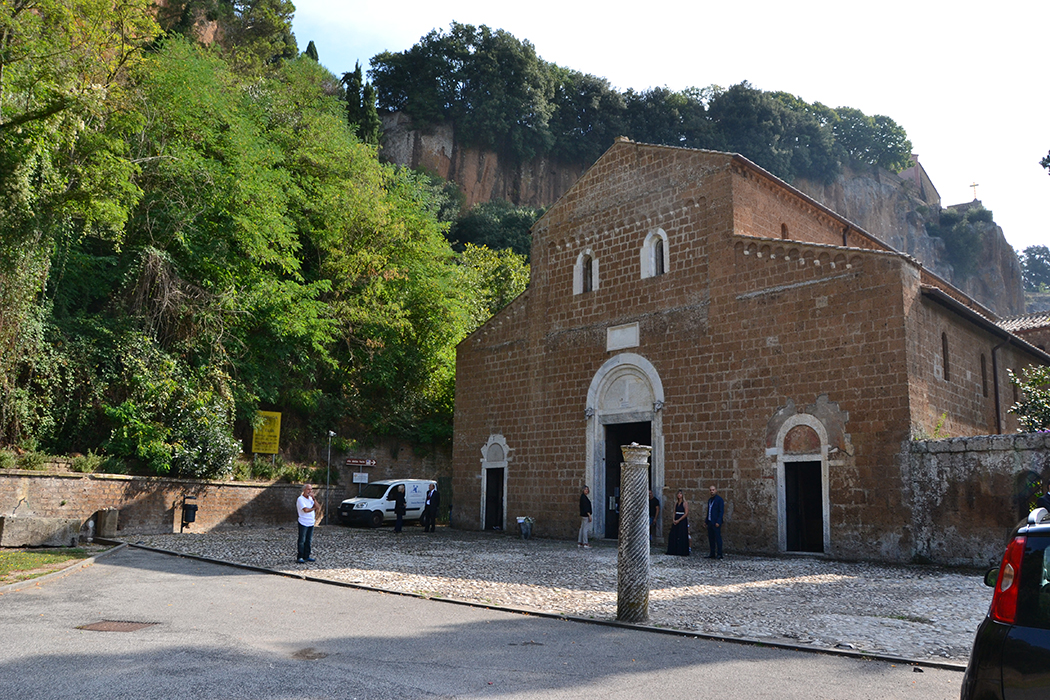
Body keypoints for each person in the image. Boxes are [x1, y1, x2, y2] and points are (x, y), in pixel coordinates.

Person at [296, 484, 320, 563]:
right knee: (302, 540)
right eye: (308, 489)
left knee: (308, 540)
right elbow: (305, 510)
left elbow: (318, 507)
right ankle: (300, 556)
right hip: (303, 522)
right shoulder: (300, 499)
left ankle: (307, 556)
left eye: (311, 489)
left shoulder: (310, 499)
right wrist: (313, 508)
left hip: (311, 522)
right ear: (304, 490)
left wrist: (314, 498)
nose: (310, 491)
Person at [666, 489, 689, 556]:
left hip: (682, 519)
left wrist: (679, 520)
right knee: (673, 534)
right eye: (678, 494)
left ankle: (682, 551)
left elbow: (686, 513)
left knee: (682, 535)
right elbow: (674, 511)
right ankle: (673, 550)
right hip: (676, 518)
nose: (679, 495)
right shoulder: (676, 503)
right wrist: (673, 519)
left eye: (680, 494)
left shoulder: (685, 503)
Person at [706, 484, 725, 559]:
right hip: (710, 522)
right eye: (710, 490)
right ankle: (712, 553)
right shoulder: (710, 500)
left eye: (713, 490)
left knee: (718, 538)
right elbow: (709, 511)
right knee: (711, 538)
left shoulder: (719, 500)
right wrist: (706, 521)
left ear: (716, 490)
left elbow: (721, 511)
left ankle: (719, 554)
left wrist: (718, 521)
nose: (712, 491)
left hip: (716, 522)